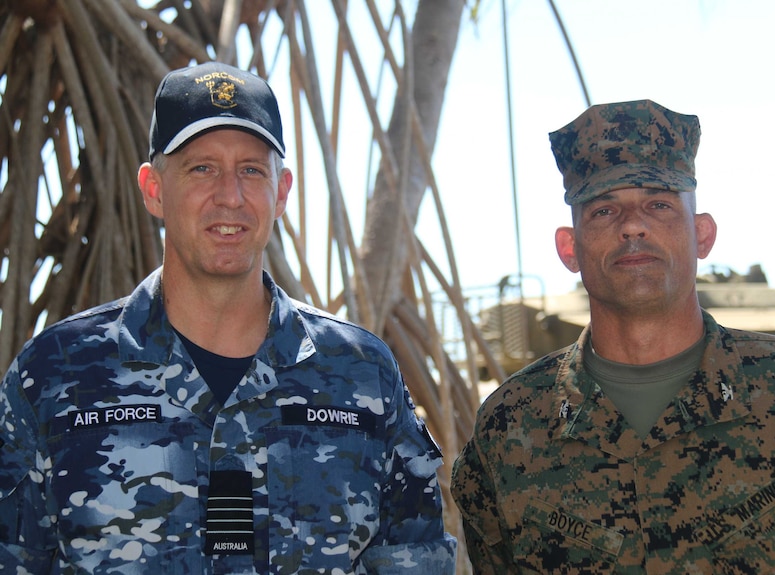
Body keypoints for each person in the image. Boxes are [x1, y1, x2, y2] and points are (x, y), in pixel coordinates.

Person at [0, 61, 456, 574]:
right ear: (153, 189)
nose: (230, 196)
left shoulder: (361, 373)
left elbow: (412, 559)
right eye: (202, 168)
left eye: (251, 170)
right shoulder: (55, 376)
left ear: (280, 192)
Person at [451, 99, 775, 573]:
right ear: (569, 247)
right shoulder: (510, 427)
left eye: (659, 204)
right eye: (604, 210)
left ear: (702, 234)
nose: (633, 225)